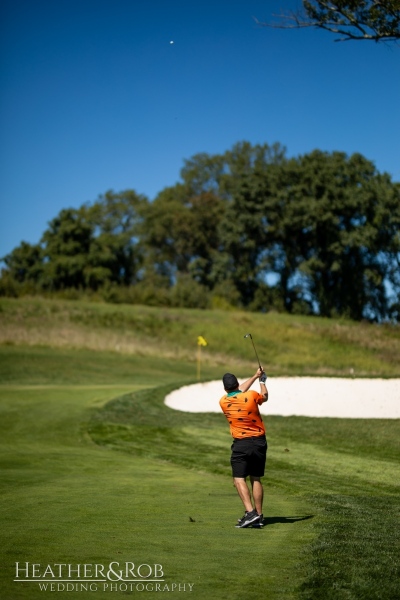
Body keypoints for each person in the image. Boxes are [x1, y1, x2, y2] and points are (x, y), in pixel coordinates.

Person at [219, 367, 268, 528]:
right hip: (259, 442)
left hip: (241, 444)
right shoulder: (252, 395)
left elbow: (238, 391)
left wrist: (255, 376)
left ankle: (250, 513)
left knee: (238, 479)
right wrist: (261, 381)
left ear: (226, 388)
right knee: (255, 478)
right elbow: (265, 397)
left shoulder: (224, 402)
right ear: (237, 384)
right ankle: (259, 515)